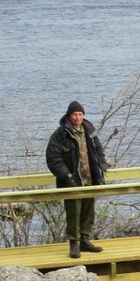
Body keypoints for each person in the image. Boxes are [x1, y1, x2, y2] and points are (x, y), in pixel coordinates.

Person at [45, 100, 107, 258]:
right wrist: (67, 176)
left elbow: (98, 149)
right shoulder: (61, 134)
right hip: (72, 180)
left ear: (83, 115)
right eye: (74, 114)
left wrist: (102, 166)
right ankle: (74, 244)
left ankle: (85, 240)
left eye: (80, 114)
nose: (77, 117)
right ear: (69, 115)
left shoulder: (89, 130)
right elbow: (53, 158)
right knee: (73, 212)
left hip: (90, 178)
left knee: (88, 210)